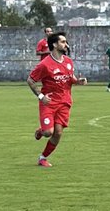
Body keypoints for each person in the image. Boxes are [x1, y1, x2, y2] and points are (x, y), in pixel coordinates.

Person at [27, 32, 87, 167]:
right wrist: (41, 97)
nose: (66, 44)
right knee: (49, 132)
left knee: (58, 133)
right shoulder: (45, 64)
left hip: (64, 102)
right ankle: (42, 130)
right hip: (48, 103)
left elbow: (70, 78)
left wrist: (78, 81)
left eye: (65, 42)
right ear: (54, 44)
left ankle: (43, 158)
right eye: (63, 42)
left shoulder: (68, 62)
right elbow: (30, 80)